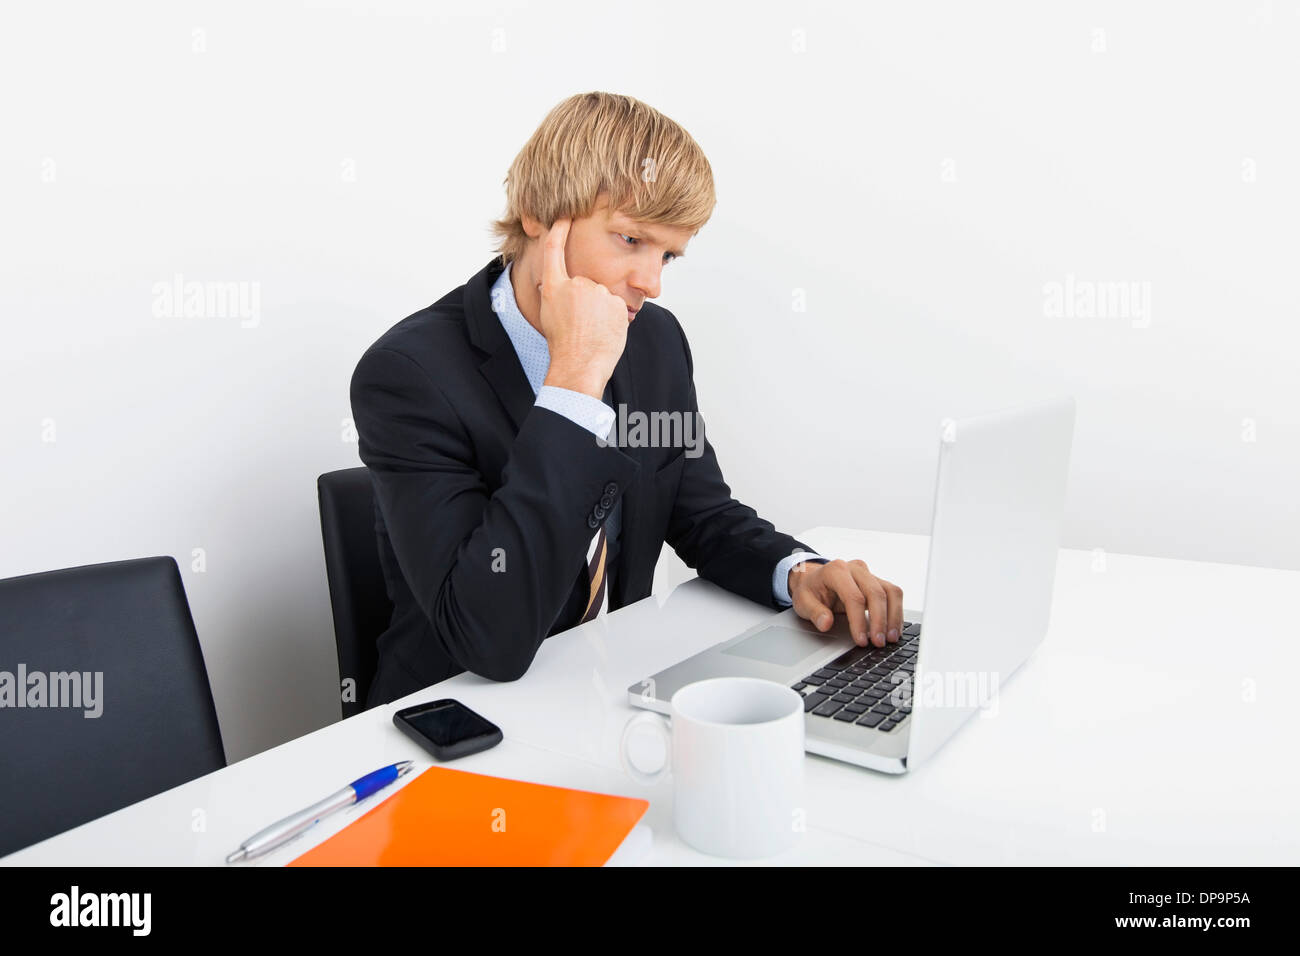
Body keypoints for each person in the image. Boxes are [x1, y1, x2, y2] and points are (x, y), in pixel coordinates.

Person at [350, 91, 904, 708]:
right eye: (630, 240)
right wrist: (574, 383)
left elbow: (701, 514)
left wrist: (798, 572)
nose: (652, 282)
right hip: (460, 716)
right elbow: (488, 639)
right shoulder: (409, 375)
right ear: (538, 214)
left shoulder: (655, 342)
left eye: (668, 254)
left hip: (610, 696)